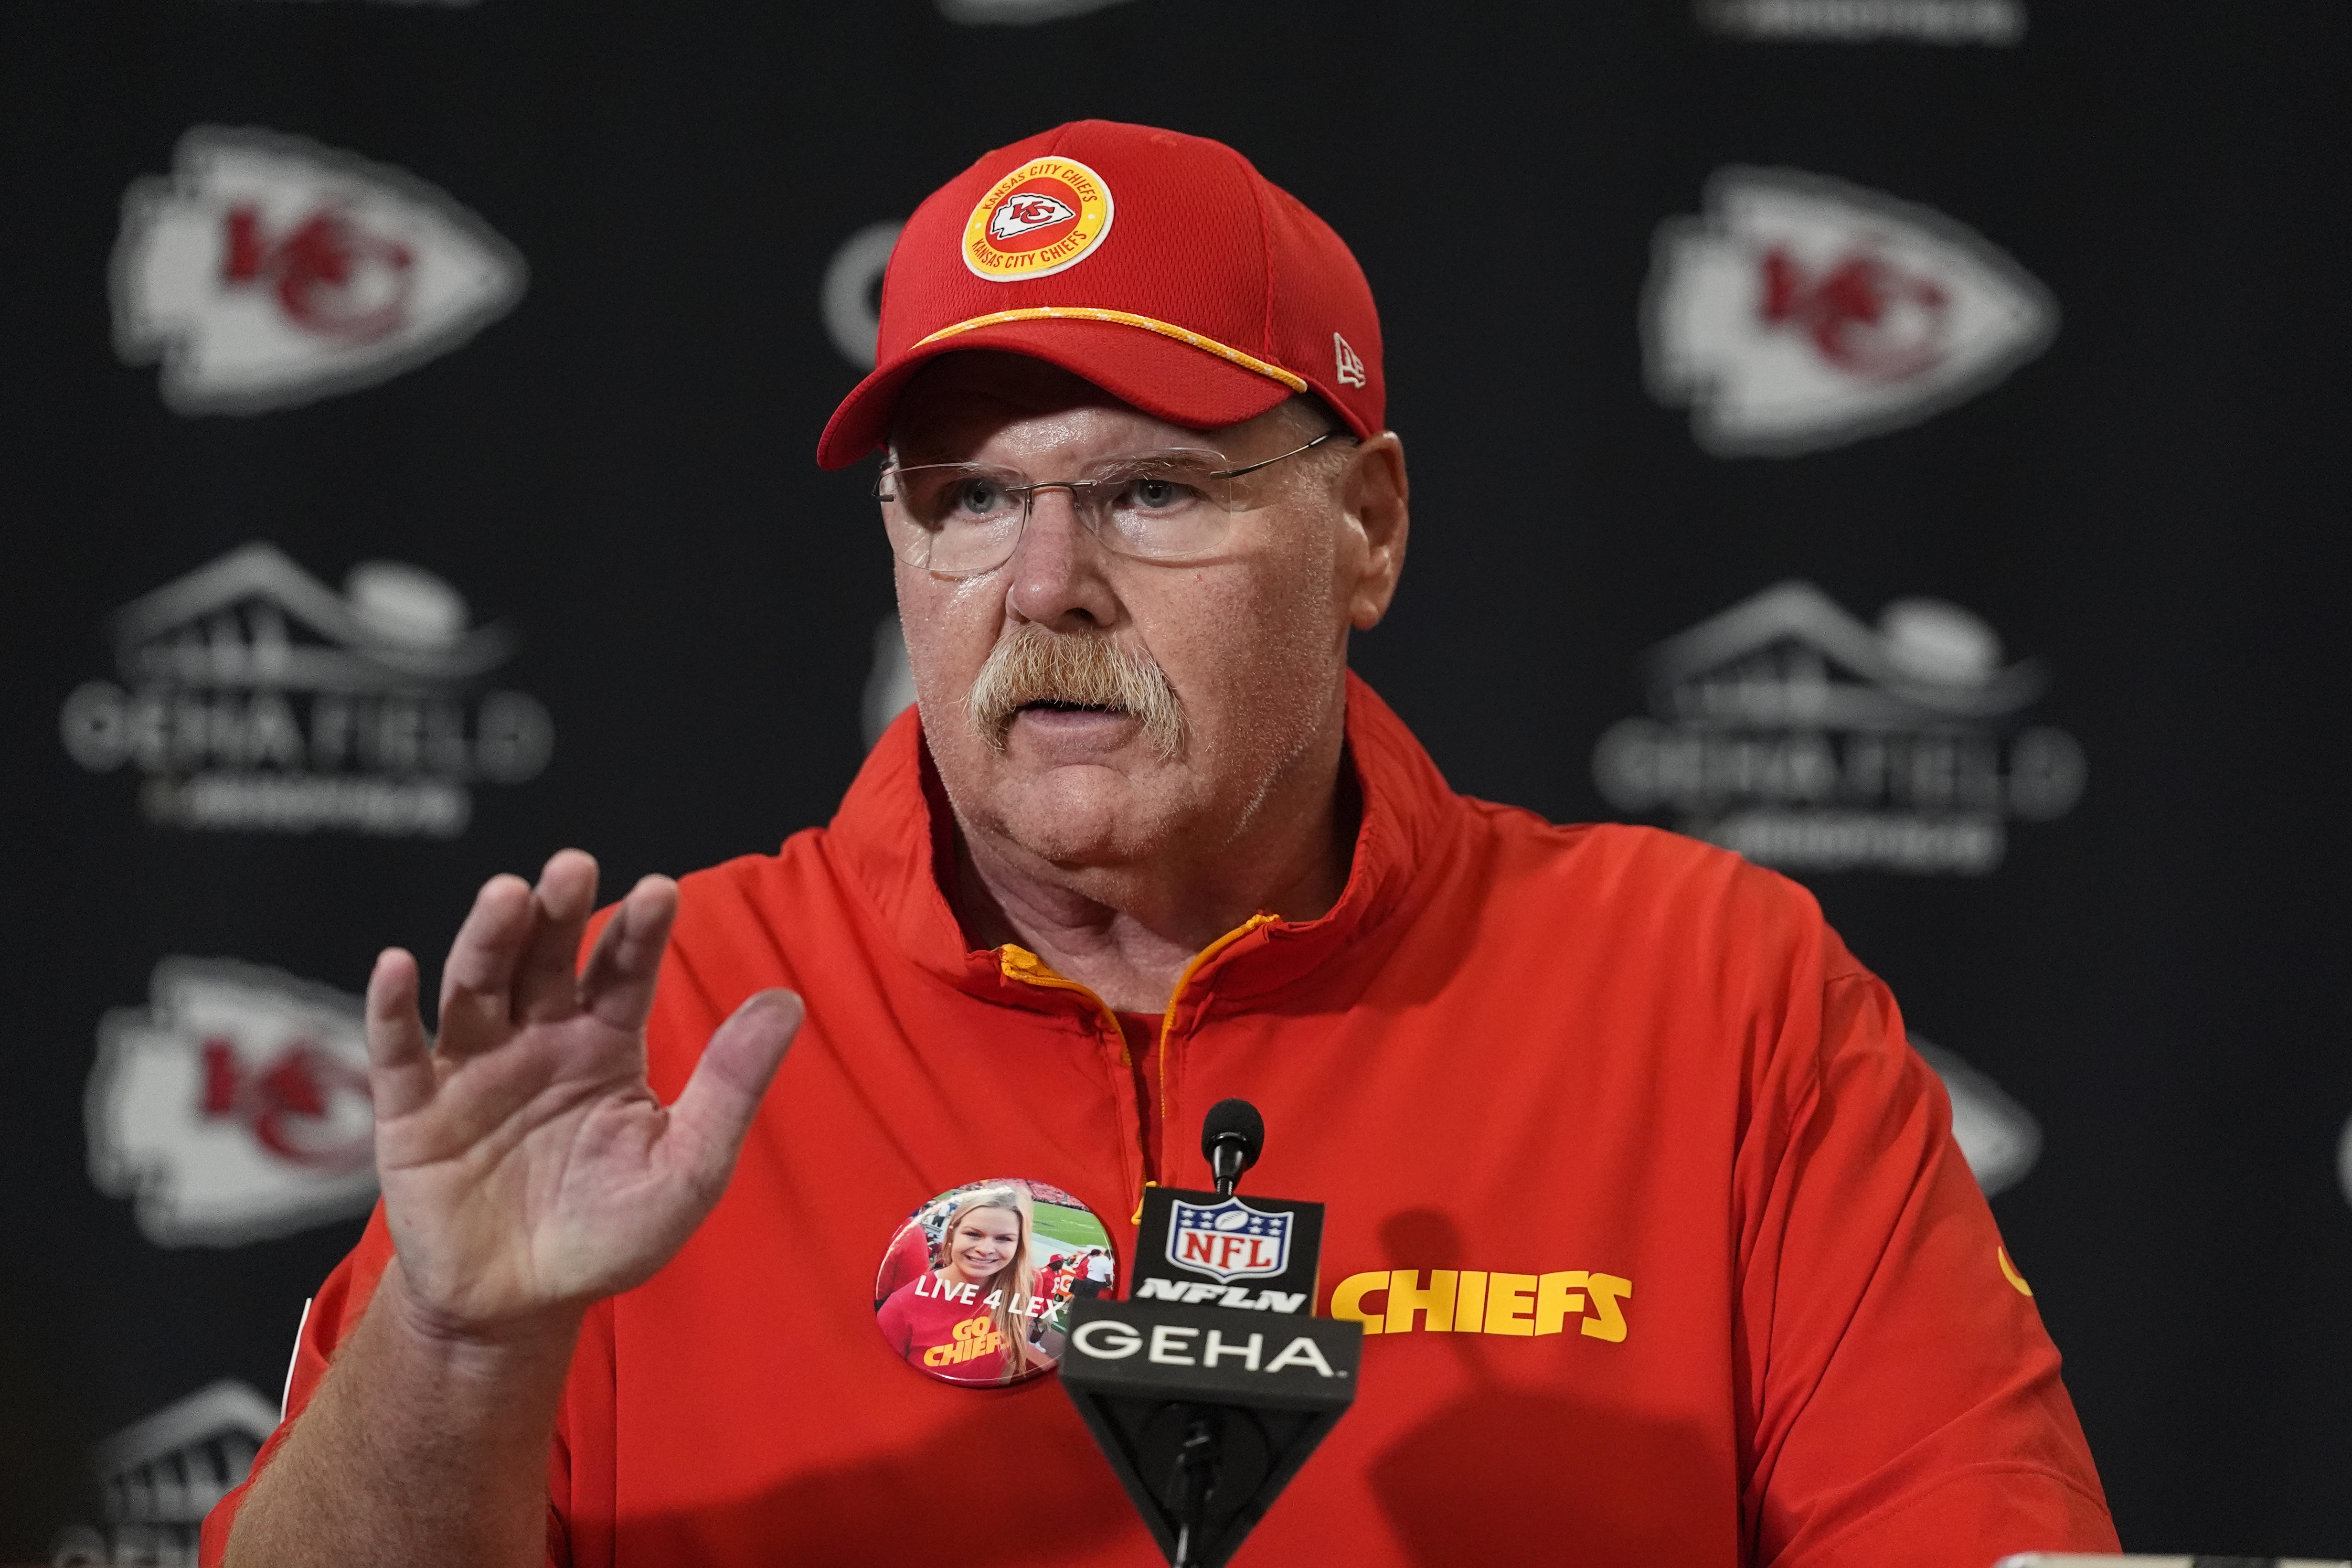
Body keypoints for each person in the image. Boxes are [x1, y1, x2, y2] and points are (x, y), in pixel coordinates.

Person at [204, 120, 2119, 1567]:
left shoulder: (1710, 992)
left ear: (1366, 527)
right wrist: (459, 1338)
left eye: (1148, 485)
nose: (1047, 583)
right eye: (966, 496)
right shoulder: (673, 1024)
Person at [874, 1189, 1046, 1386]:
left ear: (1019, 1244)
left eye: (1004, 1239)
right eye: (973, 1234)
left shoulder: (1026, 1284)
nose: (986, 1249)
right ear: (952, 1234)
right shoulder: (902, 1306)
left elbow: (1010, 1359)